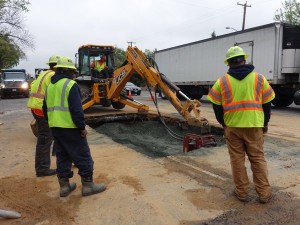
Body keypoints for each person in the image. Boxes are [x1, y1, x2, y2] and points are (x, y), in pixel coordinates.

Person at [207, 46, 275, 203]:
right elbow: (267, 103)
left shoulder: (222, 81)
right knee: (257, 159)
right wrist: (264, 123)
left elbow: (216, 106)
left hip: (233, 128)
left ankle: (242, 192)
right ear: (244, 60)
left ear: (228, 63)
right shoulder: (259, 79)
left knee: (237, 160)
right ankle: (264, 193)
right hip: (254, 127)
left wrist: (224, 124)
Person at [43, 56, 106, 197]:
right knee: (82, 155)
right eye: (72, 71)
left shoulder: (50, 87)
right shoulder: (70, 85)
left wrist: (53, 122)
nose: (73, 74)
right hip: (71, 128)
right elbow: (77, 110)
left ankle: (64, 187)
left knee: (63, 155)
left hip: (55, 128)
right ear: (67, 70)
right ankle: (88, 185)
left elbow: (44, 109)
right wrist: (82, 127)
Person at [27, 55, 60, 177]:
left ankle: (58, 157)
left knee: (51, 134)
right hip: (42, 109)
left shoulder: (43, 74)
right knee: (45, 138)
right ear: (57, 66)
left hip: (35, 107)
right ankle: (42, 169)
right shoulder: (52, 76)